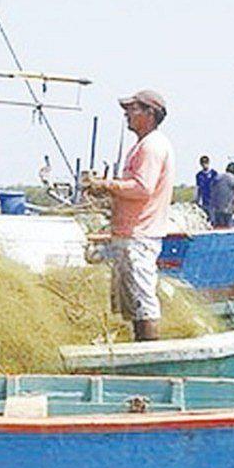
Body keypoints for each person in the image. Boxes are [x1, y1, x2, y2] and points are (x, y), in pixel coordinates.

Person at [85, 89, 174, 341]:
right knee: (134, 303)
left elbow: (143, 188)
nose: (126, 115)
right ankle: (141, 348)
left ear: (150, 113)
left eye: (132, 109)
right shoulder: (143, 145)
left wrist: (107, 185)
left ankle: (148, 357)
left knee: (143, 302)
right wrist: (108, 192)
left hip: (139, 236)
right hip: (130, 235)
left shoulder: (152, 146)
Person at [209, 162, 234, 228]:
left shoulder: (217, 178)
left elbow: (212, 191)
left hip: (215, 209)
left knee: (217, 227)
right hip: (227, 210)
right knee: (227, 227)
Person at [195, 155, 217, 220]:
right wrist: (197, 200)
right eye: (203, 163)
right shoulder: (199, 175)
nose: (204, 165)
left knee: (212, 219)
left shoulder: (214, 173)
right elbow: (198, 188)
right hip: (204, 201)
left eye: (206, 163)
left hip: (213, 201)